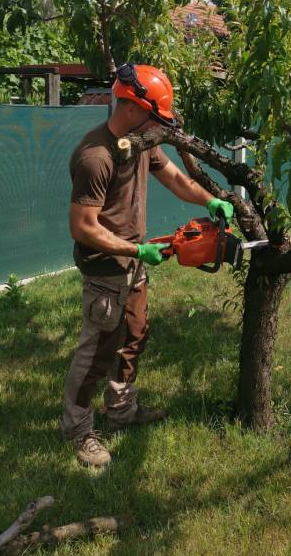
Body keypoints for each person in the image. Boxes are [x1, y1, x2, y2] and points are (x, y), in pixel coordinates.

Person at [60, 62, 233, 467]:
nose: (160, 124)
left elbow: (174, 177)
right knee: (97, 353)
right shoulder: (95, 156)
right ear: (134, 108)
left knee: (135, 335)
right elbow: (83, 228)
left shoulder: (140, 142)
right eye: (155, 115)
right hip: (106, 267)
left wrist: (209, 199)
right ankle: (78, 429)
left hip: (133, 261)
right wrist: (138, 252)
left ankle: (120, 409)